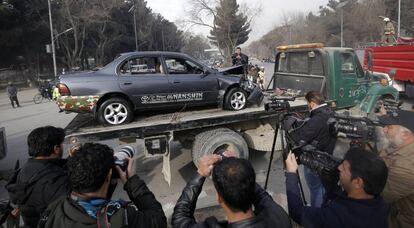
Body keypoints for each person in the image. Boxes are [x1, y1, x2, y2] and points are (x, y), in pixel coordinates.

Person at [38, 142, 167, 228]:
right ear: (109, 174)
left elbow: (93, 202)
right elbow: (159, 219)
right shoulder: (120, 218)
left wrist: (109, 183)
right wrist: (132, 180)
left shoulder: (55, 208)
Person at [172, 154, 291, 228]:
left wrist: (200, 174)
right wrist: (240, 170)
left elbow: (179, 218)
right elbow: (263, 197)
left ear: (219, 198)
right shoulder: (279, 218)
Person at [285, 148, 389, 227]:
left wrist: (291, 173)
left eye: (343, 168)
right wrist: (330, 181)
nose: (339, 168)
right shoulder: (380, 204)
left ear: (357, 182)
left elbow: (297, 212)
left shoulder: (338, 217)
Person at [6, 126, 70, 228]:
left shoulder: (24, 170)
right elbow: (73, 210)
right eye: (61, 144)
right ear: (56, 149)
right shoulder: (55, 180)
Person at [290, 91, 336, 207]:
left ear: (312, 103)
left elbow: (298, 137)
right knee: (326, 188)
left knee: (317, 189)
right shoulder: (332, 112)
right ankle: (326, 208)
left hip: (315, 160)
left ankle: (317, 213)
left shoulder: (316, 120)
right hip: (330, 157)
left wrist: (289, 125)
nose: (307, 105)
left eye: (307, 103)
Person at [378, 110, 414, 228]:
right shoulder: (401, 148)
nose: (384, 130)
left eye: (389, 127)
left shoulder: (407, 165)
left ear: (405, 135)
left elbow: (380, 193)